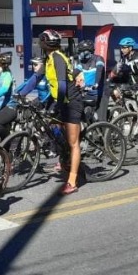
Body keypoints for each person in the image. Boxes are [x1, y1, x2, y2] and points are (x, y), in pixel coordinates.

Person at [34, 29, 83, 195]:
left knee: (73, 142)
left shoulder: (57, 58)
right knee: (53, 129)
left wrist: (58, 104)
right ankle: (64, 159)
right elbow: (35, 78)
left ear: (44, 44)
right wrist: (19, 94)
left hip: (71, 102)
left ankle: (72, 181)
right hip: (61, 100)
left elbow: (62, 85)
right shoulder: (48, 58)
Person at [73, 39, 108, 121]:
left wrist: (96, 84)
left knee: (101, 119)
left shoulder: (98, 59)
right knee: (83, 114)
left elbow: (99, 71)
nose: (79, 54)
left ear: (87, 52)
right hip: (89, 92)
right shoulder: (82, 63)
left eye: (81, 51)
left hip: (101, 92)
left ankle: (105, 131)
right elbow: (74, 73)